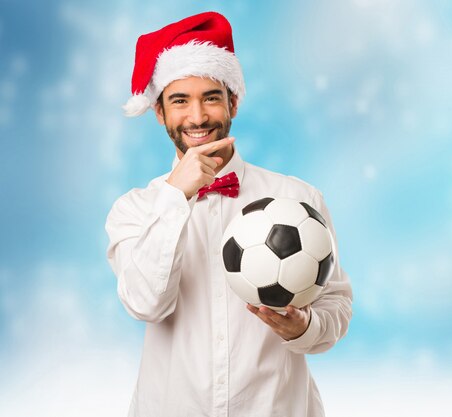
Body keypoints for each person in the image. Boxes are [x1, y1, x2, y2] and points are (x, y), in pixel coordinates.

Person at [105, 11, 352, 417]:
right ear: (160, 112)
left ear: (233, 101)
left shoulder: (297, 197)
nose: (197, 117)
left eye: (211, 98)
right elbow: (146, 303)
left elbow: (337, 307)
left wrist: (304, 328)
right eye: (180, 101)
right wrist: (175, 197)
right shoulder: (135, 209)